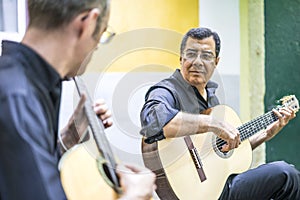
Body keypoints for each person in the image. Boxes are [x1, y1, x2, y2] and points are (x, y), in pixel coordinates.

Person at [0, 0, 155, 199]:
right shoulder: (18, 98)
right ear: (88, 22)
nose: (96, 47)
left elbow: (23, 176)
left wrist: (68, 138)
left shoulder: (22, 83)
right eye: (102, 36)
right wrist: (136, 194)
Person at [140, 27, 300, 199]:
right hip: (195, 192)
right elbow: (153, 123)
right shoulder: (167, 90)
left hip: (217, 187)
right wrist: (214, 124)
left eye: (207, 56)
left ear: (216, 62)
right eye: (191, 54)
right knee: (285, 174)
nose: (198, 62)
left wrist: (266, 134)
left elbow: (223, 154)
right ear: (181, 59)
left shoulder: (211, 99)